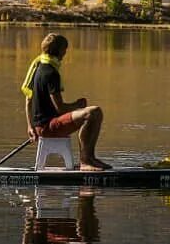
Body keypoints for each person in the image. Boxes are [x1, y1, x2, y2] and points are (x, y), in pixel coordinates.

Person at [20, 33, 110, 171]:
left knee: (90, 113)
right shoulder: (51, 72)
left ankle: (89, 159)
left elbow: (28, 100)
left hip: (40, 126)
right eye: (65, 49)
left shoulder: (38, 66)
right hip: (49, 127)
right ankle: (86, 161)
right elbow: (61, 108)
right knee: (93, 112)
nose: (65, 53)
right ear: (59, 50)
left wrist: (30, 127)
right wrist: (78, 105)